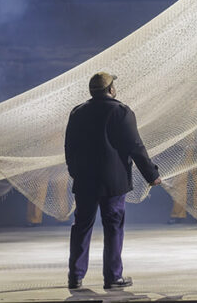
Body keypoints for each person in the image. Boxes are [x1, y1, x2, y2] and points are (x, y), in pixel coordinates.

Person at [65, 72, 161, 290]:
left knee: (81, 226)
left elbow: (69, 148)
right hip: (113, 182)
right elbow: (135, 147)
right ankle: (113, 277)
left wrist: (75, 172)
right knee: (114, 228)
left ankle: (75, 277)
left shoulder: (77, 113)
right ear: (110, 90)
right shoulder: (121, 112)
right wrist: (152, 175)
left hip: (85, 181)